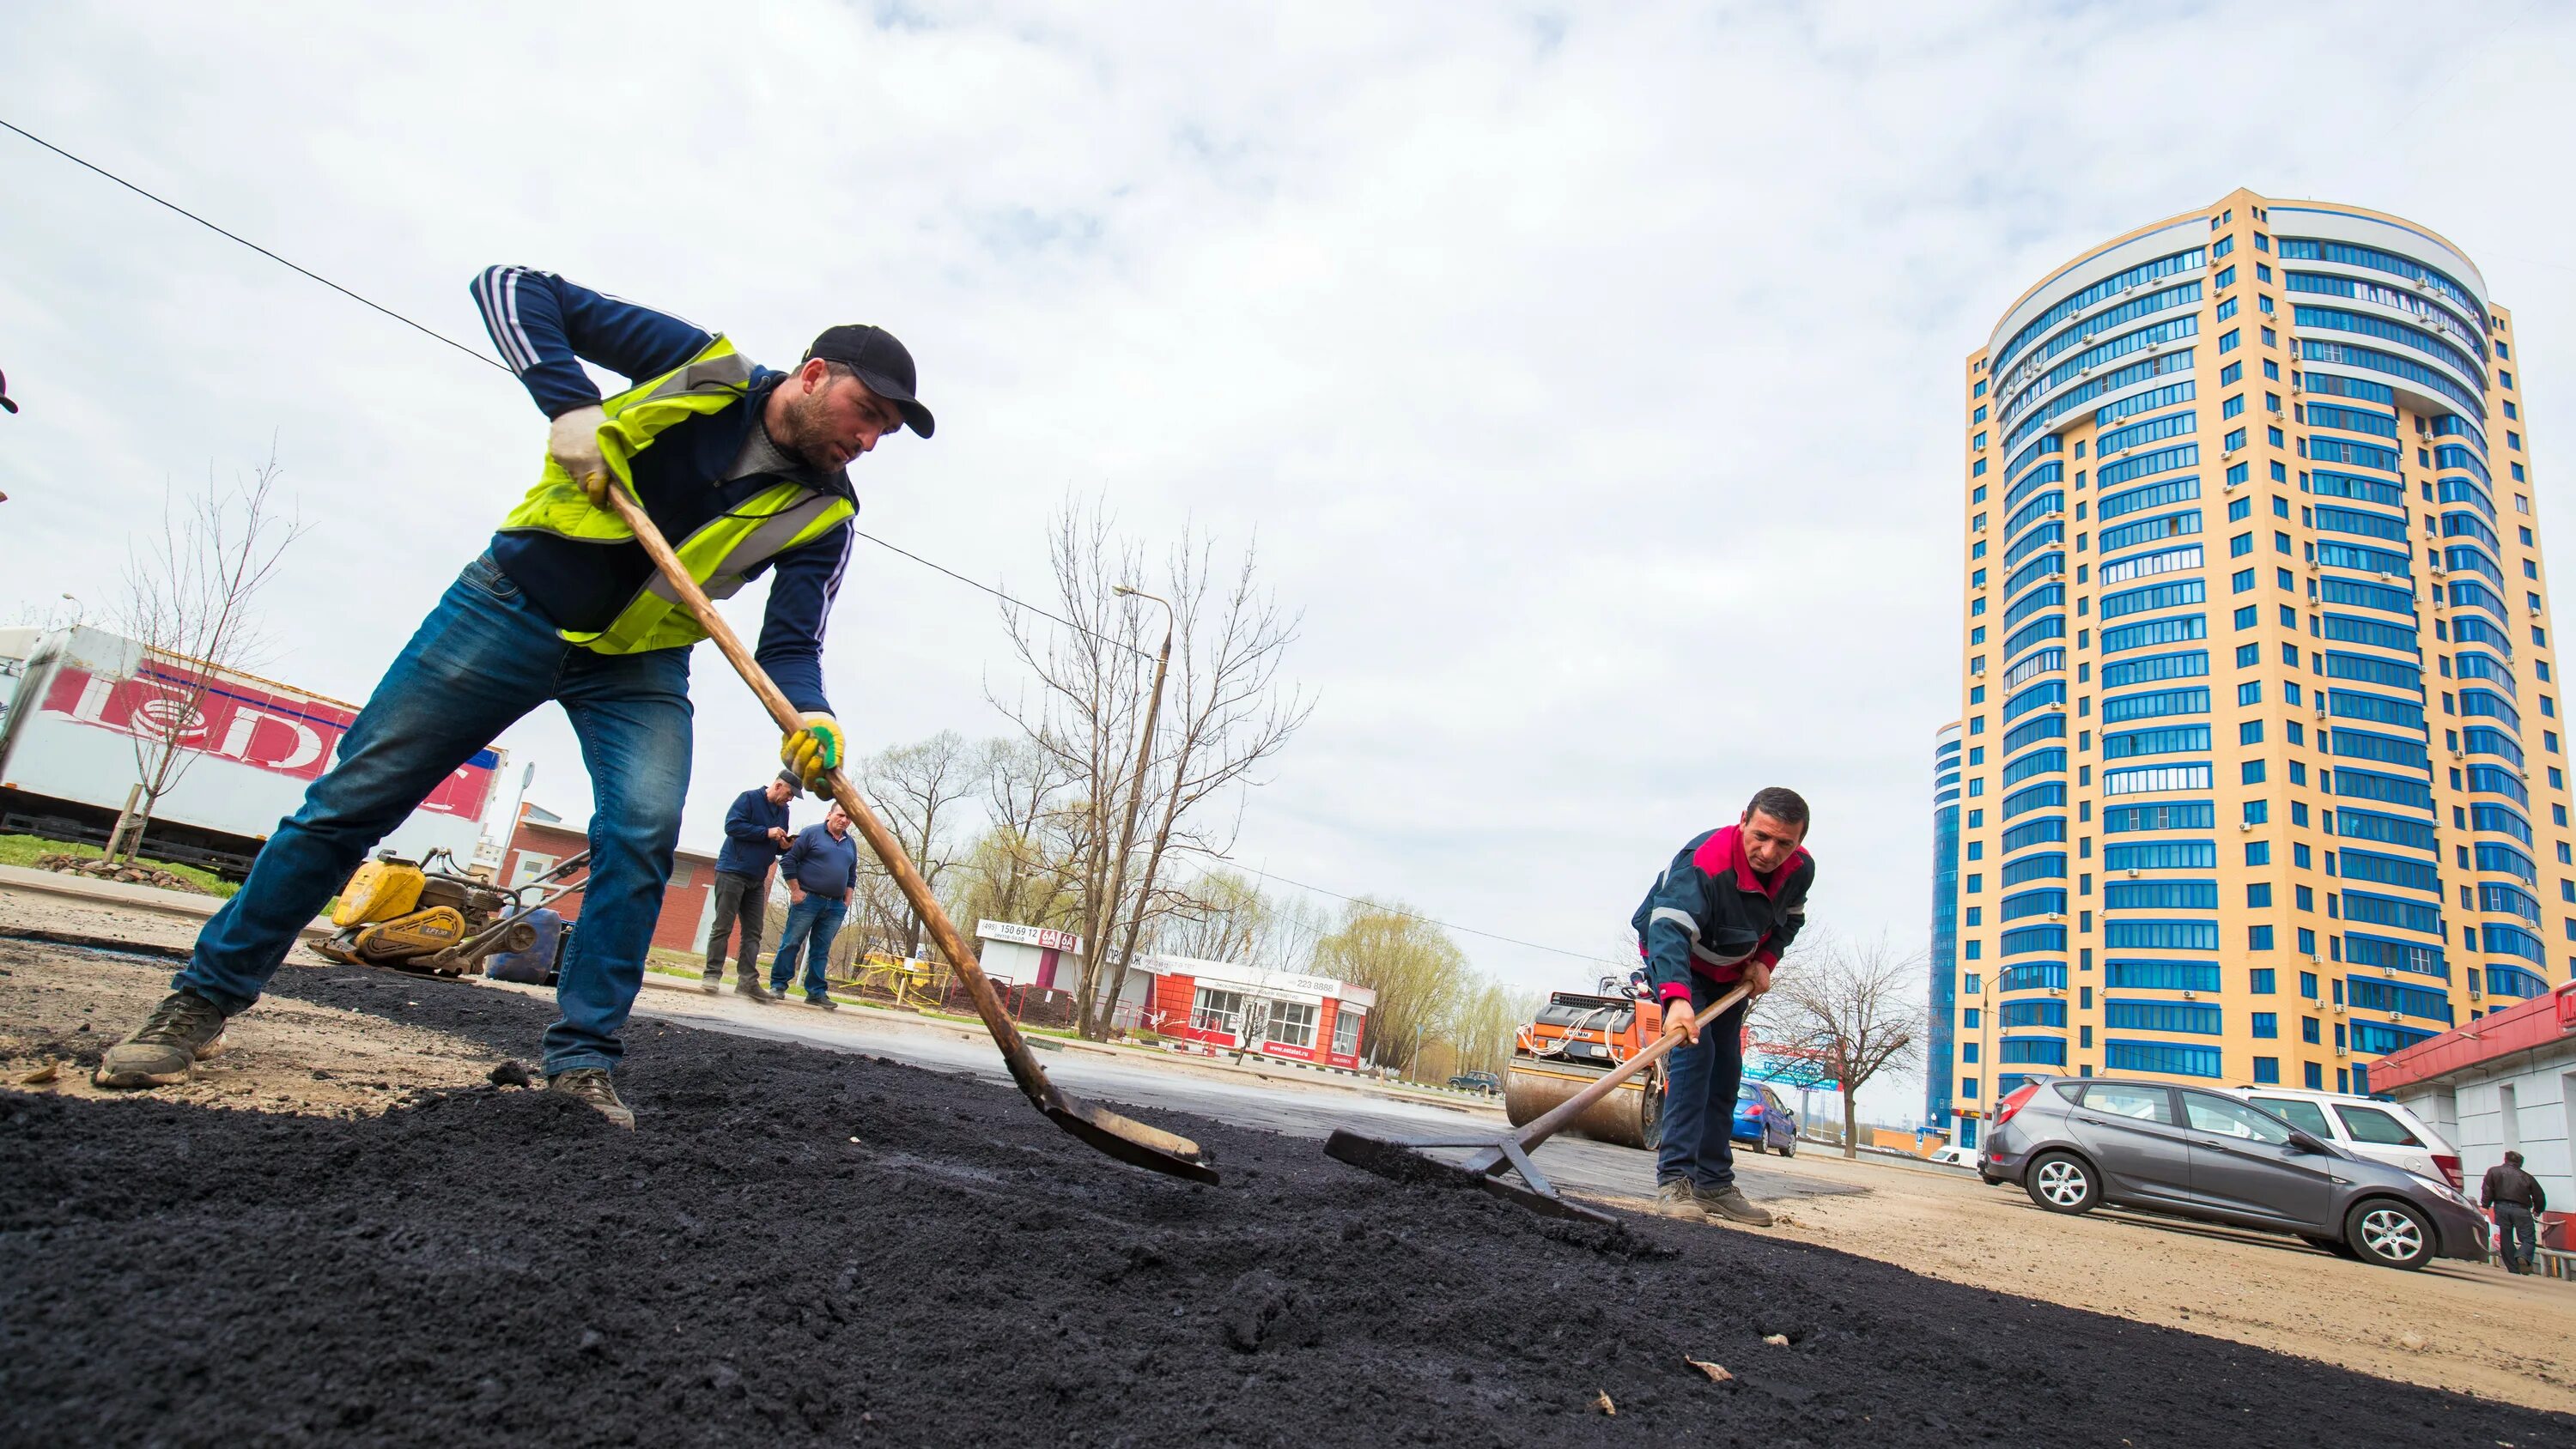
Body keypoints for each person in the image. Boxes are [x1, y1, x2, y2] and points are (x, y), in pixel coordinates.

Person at [91, 266, 933, 1129]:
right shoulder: (701, 364)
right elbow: (511, 286)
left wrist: (814, 716)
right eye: (867, 414)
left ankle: (581, 1062)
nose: (869, 439)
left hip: (638, 666)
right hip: (509, 609)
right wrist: (570, 405)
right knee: (351, 802)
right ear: (814, 373)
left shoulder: (825, 512)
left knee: (641, 833)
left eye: (886, 432)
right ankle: (201, 1000)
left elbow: (791, 644)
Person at [1630, 787, 1815, 1227]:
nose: (1769, 852)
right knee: (1698, 1054)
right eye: (1761, 836)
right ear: (1743, 820)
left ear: (1799, 842)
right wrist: (1675, 999)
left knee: (1727, 1066)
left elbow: (1788, 922)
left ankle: (1713, 1183)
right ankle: (1675, 1181)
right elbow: (1669, 931)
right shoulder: (1705, 862)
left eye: (1784, 843)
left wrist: (1765, 962)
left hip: (1730, 972)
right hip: (1679, 961)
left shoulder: (1800, 870)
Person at [704, 771, 801, 998]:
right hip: (732, 871)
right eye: (789, 794)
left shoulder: (783, 811)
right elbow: (732, 826)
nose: (790, 800)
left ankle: (747, 982)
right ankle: (712, 974)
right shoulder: (748, 799)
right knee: (723, 926)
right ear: (778, 786)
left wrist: (784, 846)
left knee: (753, 932)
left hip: (758, 878)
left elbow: (774, 844)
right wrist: (766, 832)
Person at [769, 803, 860, 1007]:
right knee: (792, 942)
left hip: (835, 906)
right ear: (829, 815)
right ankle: (778, 985)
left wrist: (847, 899)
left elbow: (851, 875)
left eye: (849, 818)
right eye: (841, 815)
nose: (844, 820)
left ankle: (816, 992)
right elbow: (788, 860)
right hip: (808, 899)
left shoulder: (850, 843)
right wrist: (796, 891)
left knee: (821, 948)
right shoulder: (811, 834)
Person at [2482, 1149, 2549, 1275]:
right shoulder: (2527, 1177)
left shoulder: (2493, 1171)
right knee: (2528, 1239)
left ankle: (2514, 1269)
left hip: (2501, 1208)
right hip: (2521, 1210)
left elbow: (2487, 1189)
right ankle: (2523, 1255)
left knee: (2505, 1238)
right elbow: (2539, 1196)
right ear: (2520, 1163)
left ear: (2505, 1160)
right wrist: (2538, 1210)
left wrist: (2485, 1205)